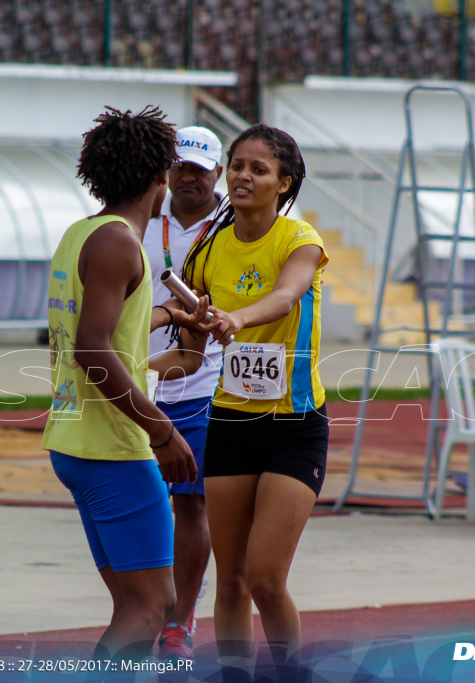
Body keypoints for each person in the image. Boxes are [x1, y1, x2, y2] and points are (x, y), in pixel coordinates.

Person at [41, 106, 212, 661]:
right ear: (159, 175)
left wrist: (166, 315)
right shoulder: (121, 244)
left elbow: (105, 330)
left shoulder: (82, 234)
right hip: (112, 447)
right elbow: (94, 349)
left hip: (74, 442)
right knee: (153, 606)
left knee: (133, 603)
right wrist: (162, 431)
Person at [182, 124, 329, 672]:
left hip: (295, 427)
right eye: (237, 165)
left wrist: (235, 318)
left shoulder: (299, 240)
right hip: (231, 425)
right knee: (231, 583)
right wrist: (130, 364)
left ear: (283, 182)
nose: (243, 176)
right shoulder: (207, 252)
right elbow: (191, 354)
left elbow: (287, 296)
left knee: (266, 579)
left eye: (258, 169)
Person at [143, 125, 225, 661]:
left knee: (192, 501)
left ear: (218, 172)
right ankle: (144, 603)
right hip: (144, 377)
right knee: (148, 501)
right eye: (181, 167)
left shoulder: (237, 222)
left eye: (199, 168)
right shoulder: (145, 219)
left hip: (208, 380)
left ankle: (179, 620)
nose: (188, 177)